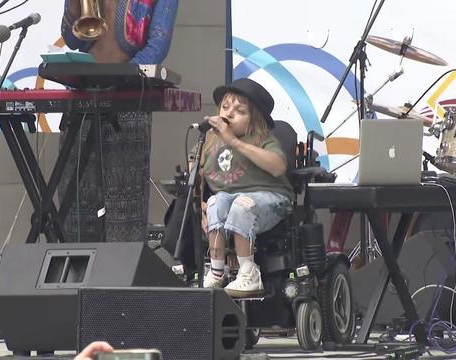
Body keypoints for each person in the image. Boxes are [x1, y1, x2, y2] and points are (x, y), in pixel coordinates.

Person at [57, 0, 179, 243]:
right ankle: (74, 274)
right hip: (83, 91)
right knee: (76, 201)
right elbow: (73, 41)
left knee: (125, 200)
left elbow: (158, 47)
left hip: (128, 97)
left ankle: (120, 276)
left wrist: (116, 81)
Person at [193, 78, 294, 298]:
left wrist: (234, 142)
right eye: (225, 107)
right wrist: (200, 206)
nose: (228, 114)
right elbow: (195, 175)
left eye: (239, 110)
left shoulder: (261, 138)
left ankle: (249, 273)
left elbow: (278, 167)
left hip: (269, 197)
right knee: (215, 202)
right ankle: (217, 270)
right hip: (227, 198)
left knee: (242, 205)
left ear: (253, 119)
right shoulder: (211, 140)